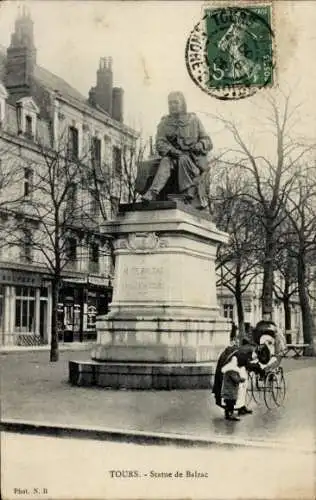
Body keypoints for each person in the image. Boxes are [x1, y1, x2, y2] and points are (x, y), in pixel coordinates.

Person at [141, 91, 213, 210]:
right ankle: (152, 193)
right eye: (170, 103)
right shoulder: (164, 123)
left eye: (175, 102)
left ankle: (186, 195)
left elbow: (208, 141)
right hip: (172, 157)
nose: (172, 105)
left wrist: (200, 144)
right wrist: (171, 150)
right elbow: (160, 142)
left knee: (183, 159)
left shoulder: (193, 120)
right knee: (165, 161)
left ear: (182, 104)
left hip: (192, 161)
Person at [221, 355, 246, 421]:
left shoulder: (228, 370)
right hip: (230, 391)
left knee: (228, 403)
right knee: (231, 404)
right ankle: (230, 415)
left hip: (228, 390)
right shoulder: (231, 371)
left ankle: (228, 414)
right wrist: (242, 379)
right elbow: (236, 379)